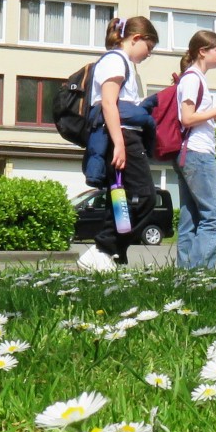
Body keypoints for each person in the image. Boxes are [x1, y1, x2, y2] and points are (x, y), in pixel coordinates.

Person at [77, 15, 160, 271]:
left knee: (122, 198)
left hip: (123, 135)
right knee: (144, 196)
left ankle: (108, 254)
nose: (149, 54)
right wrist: (120, 144)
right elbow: (109, 103)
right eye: (149, 47)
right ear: (136, 38)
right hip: (122, 135)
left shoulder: (122, 63)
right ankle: (102, 249)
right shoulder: (115, 61)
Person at [173, 30, 216, 270]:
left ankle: (185, 276)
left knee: (191, 220)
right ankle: (194, 273)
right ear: (203, 51)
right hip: (197, 154)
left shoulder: (195, 79)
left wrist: (214, 114)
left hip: (189, 153)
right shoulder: (193, 79)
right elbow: (186, 118)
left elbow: (193, 118)